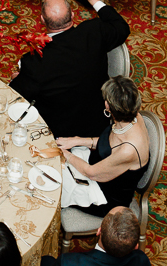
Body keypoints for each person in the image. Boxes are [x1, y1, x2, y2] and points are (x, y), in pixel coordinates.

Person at [10, 0, 128, 139]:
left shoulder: (35, 61)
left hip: (59, 134)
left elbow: (15, 96)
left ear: (42, 20)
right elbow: (122, 27)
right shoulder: (94, 30)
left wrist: (20, 78)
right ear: (73, 14)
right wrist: (94, 0)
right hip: (99, 123)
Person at [57, 76, 150, 210]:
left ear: (107, 105)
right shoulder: (133, 117)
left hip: (107, 196)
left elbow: (91, 172)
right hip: (99, 166)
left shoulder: (128, 150)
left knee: (53, 184)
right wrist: (76, 141)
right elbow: (108, 144)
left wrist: (65, 154)